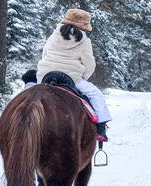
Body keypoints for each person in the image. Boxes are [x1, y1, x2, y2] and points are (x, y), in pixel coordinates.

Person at [36, 9, 112, 142]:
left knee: (29, 93)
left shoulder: (53, 35)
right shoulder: (84, 41)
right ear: (83, 25)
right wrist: (82, 78)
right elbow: (90, 65)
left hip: (45, 75)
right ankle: (100, 130)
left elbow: (45, 54)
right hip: (72, 78)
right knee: (96, 95)